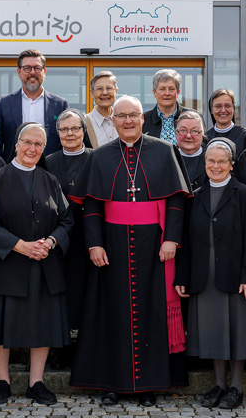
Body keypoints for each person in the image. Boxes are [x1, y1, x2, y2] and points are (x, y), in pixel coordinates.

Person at [69, 95, 191, 407]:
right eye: (121, 116)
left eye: (133, 115)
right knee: (112, 312)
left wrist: (171, 239)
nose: (127, 121)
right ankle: (113, 385)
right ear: (113, 120)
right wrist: (94, 243)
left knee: (151, 312)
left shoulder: (164, 151)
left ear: (142, 118)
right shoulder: (100, 156)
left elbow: (176, 200)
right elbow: (91, 205)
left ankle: (148, 384)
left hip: (154, 245)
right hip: (112, 244)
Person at [0, 123, 73, 405]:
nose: (32, 149)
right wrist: (20, 245)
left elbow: (67, 220)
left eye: (38, 144)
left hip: (43, 265)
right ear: (17, 144)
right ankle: (2, 381)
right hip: (7, 264)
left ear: (44, 149)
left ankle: (36, 382)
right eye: (27, 142)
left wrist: (51, 242)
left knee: (41, 323)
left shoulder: (50, 180)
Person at [175, 137, 246, 409]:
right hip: (205, 275)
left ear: (231, 164)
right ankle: (219, 385)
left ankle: (236, 387)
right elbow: (186, 241)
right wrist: (182, 277)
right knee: (213, 330)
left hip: (237, 275)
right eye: (211, 161)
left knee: (238, 330)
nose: (215, 166)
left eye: (221, 162)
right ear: (205, 163)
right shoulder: (195, 196)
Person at [46, 109, 93, 367]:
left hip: (90, 237)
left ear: (83, 131)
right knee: (61, 294)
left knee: (88, 292)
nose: (70, 134)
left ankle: (87, 349)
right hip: (59, 239)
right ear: (58, 133)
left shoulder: (96, 158)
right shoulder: (48, 161)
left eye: (75, 128)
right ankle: (60, 346)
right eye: (64, 129)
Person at [0, 49, 69, 161]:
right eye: (27, 68)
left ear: (44, 72)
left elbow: (65, 142)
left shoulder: (60, 105)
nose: (32, 72)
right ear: (19, 72)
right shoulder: (4, 104)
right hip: (13, 168)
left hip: (50, 169)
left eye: (37, 68)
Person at [143, 69, 188, 143]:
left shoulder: (192, 117)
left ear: (178, 92)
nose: (167, 93)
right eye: (162, 89)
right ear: (154, 92)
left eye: (171, 89)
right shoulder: (143, 120)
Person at [206, 89, 246, 157]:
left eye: (227, 106)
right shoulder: (205, 138)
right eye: (218, 106)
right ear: (212, 110)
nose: (223, 110)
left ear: (233, 108)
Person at [84, 71, 118, 147]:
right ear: (92, 93)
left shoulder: (124, 120)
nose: (105, 93)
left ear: (116, 91)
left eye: (109, 88)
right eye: (99, 89)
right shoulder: (84, 123)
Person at [175, 110, 208, 189]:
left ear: (202, 134)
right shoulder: (168, 158)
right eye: (183, 130)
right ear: (176, 133)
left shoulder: (211, 158)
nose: (188, 136)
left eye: (194, 131)